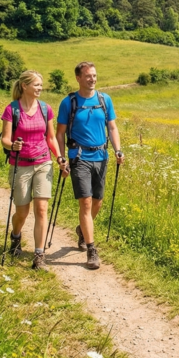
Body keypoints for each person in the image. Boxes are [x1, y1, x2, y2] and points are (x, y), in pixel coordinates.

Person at [57, 62, 124, 270]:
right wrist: (61, 158)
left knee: (98, 203)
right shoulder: (69, 102)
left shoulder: (105, 100)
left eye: (94, 75)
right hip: (79, 157)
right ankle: (91, 249)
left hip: (101, 156)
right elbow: (60, 133)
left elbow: (112, 127)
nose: (92, 79)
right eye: (88, 76)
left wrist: (118, 149)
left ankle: (82, 230)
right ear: (78, 78)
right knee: (85, 203)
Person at [0, 70, 64, 270]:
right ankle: (16, 236)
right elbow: (5, 139)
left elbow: (51, 138)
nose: (40, 88)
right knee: (22, 211)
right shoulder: (12, 109)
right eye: (36, 85)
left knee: (42, 209)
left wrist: (60, 157)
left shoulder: (46, 109)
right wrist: (13, 146)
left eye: (41, 85)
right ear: (25, 86)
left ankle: (39, 255)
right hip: (21, 164)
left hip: (43, 162)